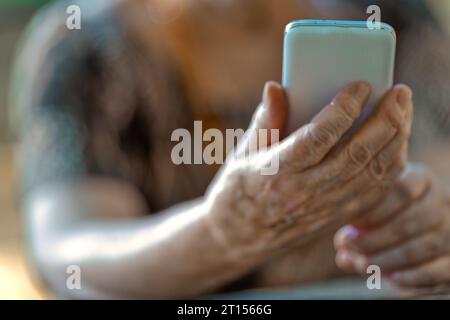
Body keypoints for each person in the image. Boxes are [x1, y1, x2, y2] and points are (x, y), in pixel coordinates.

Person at [11, 0, 450, 298]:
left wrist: (428, 221)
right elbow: (65, 251)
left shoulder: (395, 17)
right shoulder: (86, 46)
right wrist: (220, 236)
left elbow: (436, 178)